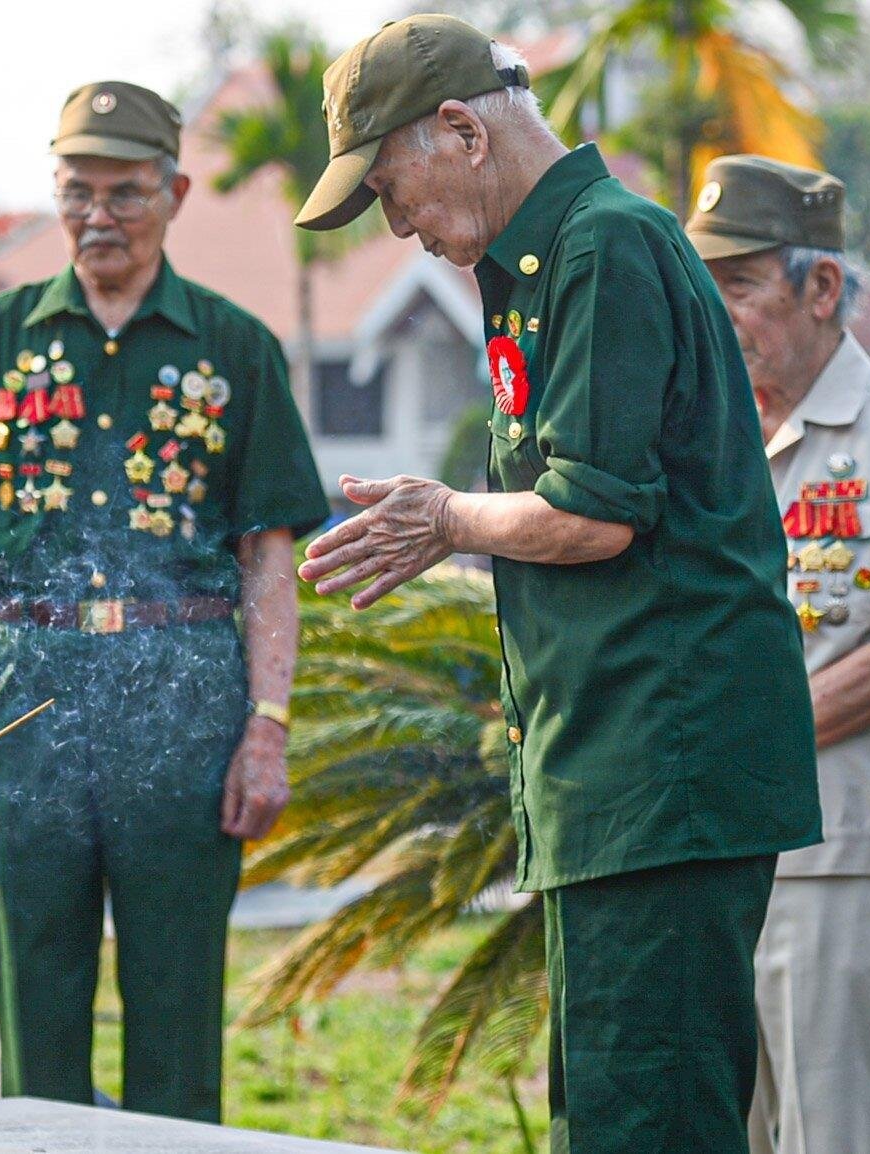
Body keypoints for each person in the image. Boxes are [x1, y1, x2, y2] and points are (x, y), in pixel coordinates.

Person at [292, 17, 821, 1153]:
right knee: (614, 1112)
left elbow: (591, 512)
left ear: (461, 132)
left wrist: (443, 518)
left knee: (654, 1119)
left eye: (393, 191)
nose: (401, 227)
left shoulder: (602, 244)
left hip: (664, 772)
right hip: (613, 771)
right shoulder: (539, 256)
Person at [0, 80, 328, 1121]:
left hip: (183, 699)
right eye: (77, 190)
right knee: (33, 988)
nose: (100, 214)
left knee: (177, 995)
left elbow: (268, 558)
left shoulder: (235, 347)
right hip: (23, 701)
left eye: (126, 192)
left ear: (175, 192)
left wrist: (267, 724)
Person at [686, 154, 870, 1154]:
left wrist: (734, 745)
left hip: (835, 858)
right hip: (709, 858)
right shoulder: (702, 443)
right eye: (707, 285)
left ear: (822, 287)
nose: (716, 311)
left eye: (738, 285)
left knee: (835, 1138)